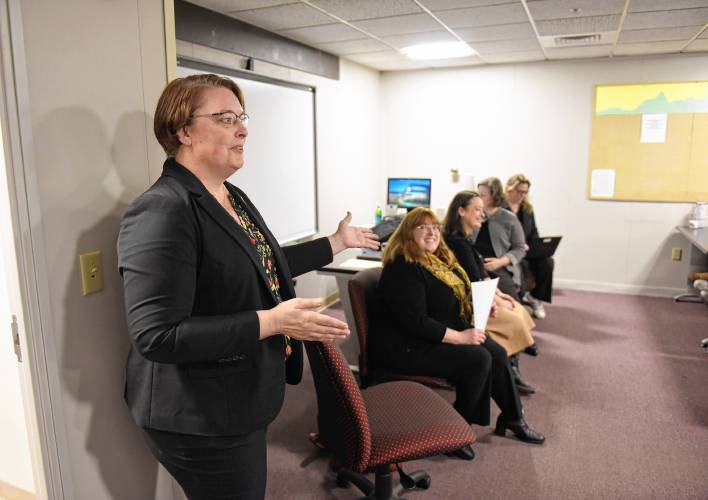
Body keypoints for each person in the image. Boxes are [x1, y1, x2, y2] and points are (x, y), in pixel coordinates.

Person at [117, 73, 379, 500]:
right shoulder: (162, 211)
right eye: (225, 118)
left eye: (242, 116)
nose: (243, 128)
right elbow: (157, 336)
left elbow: (262, 267)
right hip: (198, 416)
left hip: (237, 396)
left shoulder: (229, 195)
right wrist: (271, 321)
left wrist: (337, 242)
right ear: (183, 131)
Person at [369, 207, 545, 453]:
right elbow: (415, 322)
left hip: (433, 335)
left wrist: (480, 309)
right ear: (408, 233)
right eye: (422, 227)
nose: (431, 233)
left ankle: (513, 417)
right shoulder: (403, 266)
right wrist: (460, 337)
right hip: (407, 345)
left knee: (496, 352)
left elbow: (449, 302)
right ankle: (455, 428)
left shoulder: (438, 261)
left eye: (435, 227)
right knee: (478, 358)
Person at [443, 190, 537, 394]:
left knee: (518, 309)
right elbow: (473, 283)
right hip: (468, 306)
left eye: (482, 210)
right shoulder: (456, 243)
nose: (481, 214)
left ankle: (512, 366)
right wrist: (495, 298)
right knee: (515, 318)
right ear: (461, 211)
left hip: (480, 296)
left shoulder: (465, 240)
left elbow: (480, 275)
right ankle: (509, 370)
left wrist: (499, 295)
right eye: (476, 209)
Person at [504, 174, 554, 319]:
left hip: (527, 249)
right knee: (522, 264)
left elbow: (533, 233)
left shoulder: (527, 209)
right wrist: (519, 245)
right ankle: (522, 296)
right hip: (510, 250)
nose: (522, 195)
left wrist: (539, 246)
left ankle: (535, 298)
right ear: (509, 189)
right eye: (519, 191)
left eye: (525, 192)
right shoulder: (501, 209)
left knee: (547, 262)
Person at [476, 177, 527, 303]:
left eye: (482, 195)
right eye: (477, 194)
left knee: (512, 305)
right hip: (474, 264)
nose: (477, 198)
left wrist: (500, 262)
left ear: (494, 196)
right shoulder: (473, 214)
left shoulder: (509, 218)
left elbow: (520, 248)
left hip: (499, 266)